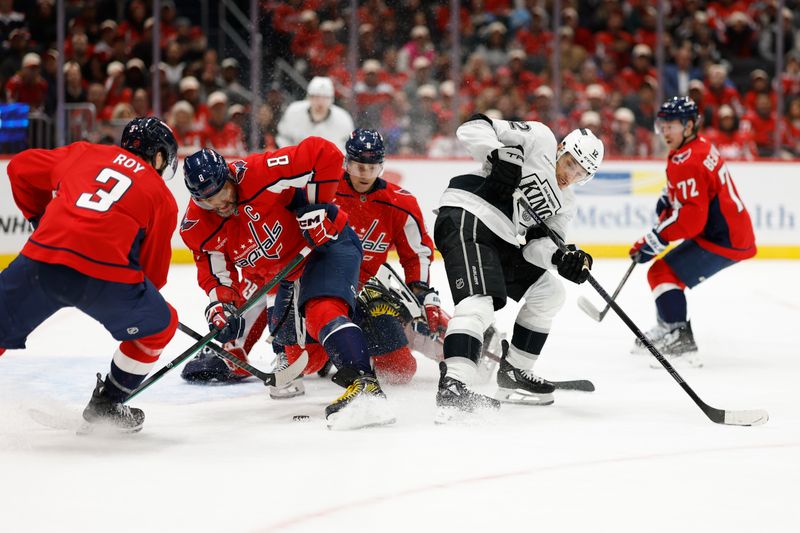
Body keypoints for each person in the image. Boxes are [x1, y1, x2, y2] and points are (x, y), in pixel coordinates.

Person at [178, 139, 395, 430]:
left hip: (327, 245)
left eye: (222, 192)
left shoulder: (258, 173)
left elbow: (324, 153)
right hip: (288, 276)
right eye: (207, 200)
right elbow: (218, 276)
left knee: (322, 310)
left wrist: (319, 207)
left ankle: (365, 387)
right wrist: (221, 305)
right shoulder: (197, 227)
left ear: (230, 176)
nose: (219, 204)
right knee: (303, 360)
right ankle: (345, 344)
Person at [0, 117, 180, 432]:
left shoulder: (86, 152)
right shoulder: (162, 197)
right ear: (160, 157)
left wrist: (40, 219)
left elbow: (18, 169)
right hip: (106, 279)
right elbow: (153, 278)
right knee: (162, 326)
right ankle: (108, 403)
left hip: (43, 258)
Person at [433, 114, 603, 422]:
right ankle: (453, 385)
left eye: (581, 173)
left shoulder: (566, 204)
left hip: (503, 237)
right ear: (561, 148)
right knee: (479, 303)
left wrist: (562, 259)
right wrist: (497, 153)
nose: (571, 174)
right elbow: (471, 126)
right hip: (469, 211)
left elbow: (536, 247)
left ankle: (515, 371)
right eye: (570, 163)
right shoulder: (540, 138)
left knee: (549, 292)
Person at [269, 128, 445, 398]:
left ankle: (411, 331)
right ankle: (291, 348)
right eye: (358, 166)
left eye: (372, 167)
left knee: (399, 371)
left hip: (368, 291)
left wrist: (419, 290)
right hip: (322, 286)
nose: (364, 174)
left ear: (382, 166)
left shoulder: (400, 202)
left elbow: (416, 253)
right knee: (305, 363)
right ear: (346, 163)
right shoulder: (320, 190)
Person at [629, 97, 756, 367]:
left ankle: (680, 339)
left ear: (688, 126)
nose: (664, 131)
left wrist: (654, 239)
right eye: (662, 125)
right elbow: (695, 193)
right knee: (662, 273)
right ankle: (670, 328)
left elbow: (691, 221)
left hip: (723, 237)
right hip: (725, 230)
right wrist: (669, 196)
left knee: (662, 272)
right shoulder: (697, 147)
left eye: (671, 125)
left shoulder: (688, 160)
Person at [276, 76, 354, 152]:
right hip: (297, 160)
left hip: (330, 162)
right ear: (309, 97)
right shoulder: (294, 111)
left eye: (325, 98)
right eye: (316, 97)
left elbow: (348, 145)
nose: (320, 102)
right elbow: (283, 137)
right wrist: (293, 155)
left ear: (331, 99)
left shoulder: (343, 118)